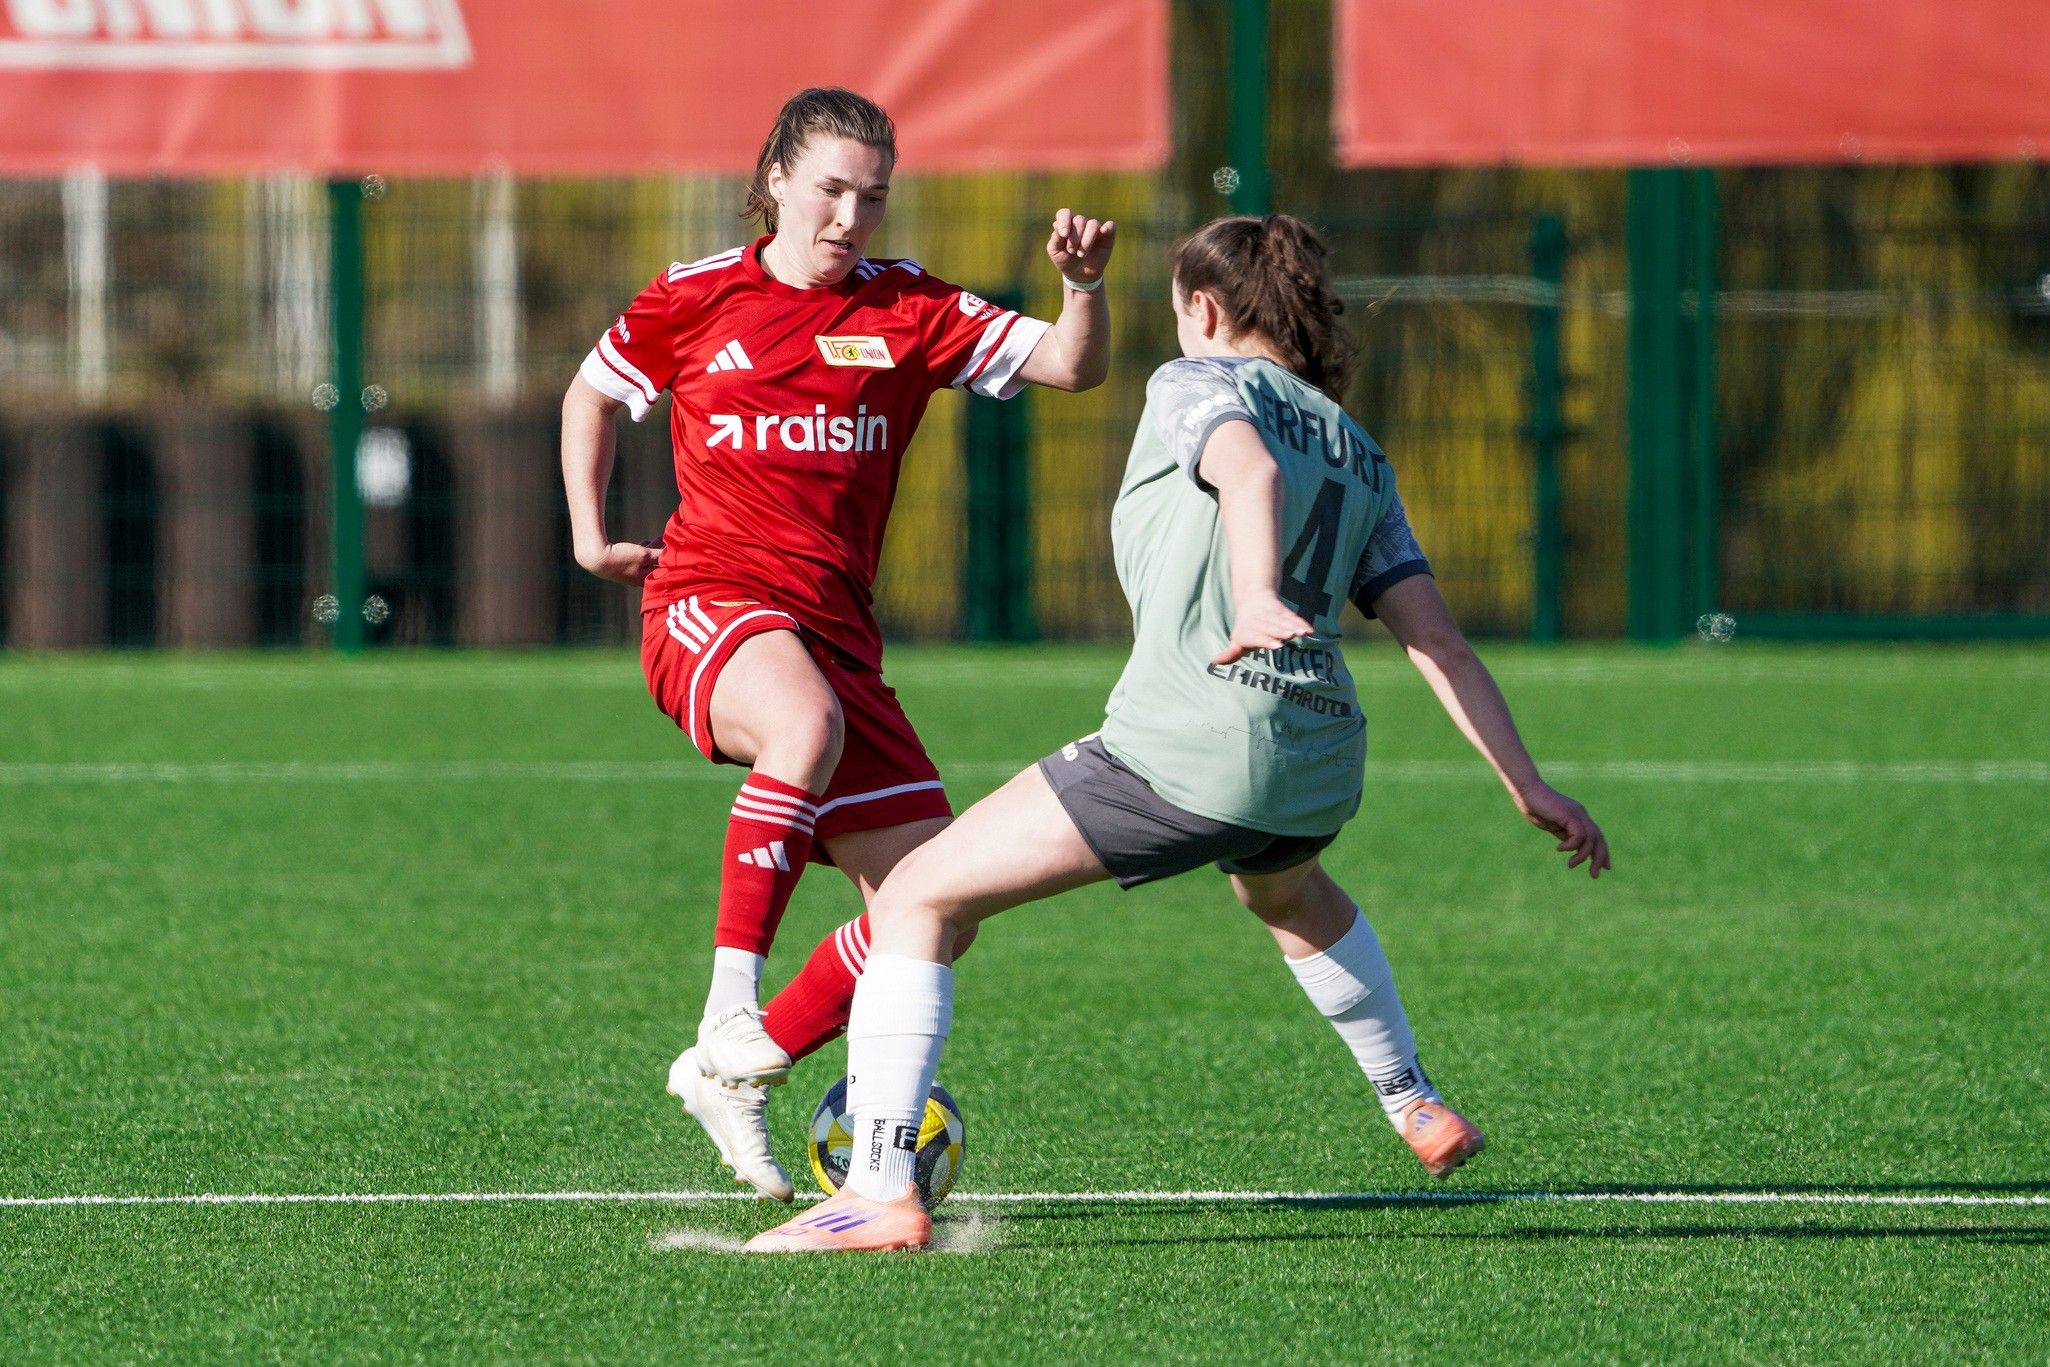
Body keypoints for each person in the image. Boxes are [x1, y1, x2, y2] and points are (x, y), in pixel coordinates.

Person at [742, 212, 1612, 1252]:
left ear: (1202, 310)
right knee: (1283, 886)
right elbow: (1441, 641)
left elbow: (1246, 474)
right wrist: (1527, 783)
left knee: (921, 892)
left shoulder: (1196, 382)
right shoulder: (1361, 451)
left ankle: (877, 1190)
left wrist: (1250, 597)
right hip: (1318, 757)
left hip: (1197, 742)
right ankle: (1410, 1094)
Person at [561, 87, 1116, 1201]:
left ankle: (736, 1065)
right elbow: (591, 389)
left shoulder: (911, 309)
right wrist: (586, 532)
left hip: (834, 636)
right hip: (706, 601)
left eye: (872, 196)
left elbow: (1071, 367)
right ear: (774, 179)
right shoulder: (693, 294)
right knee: (801, 723)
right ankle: (728, 997)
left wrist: (1083, 288)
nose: (849, 215)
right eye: (829, 188)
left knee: (933, 904)